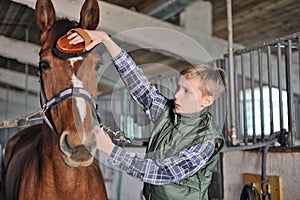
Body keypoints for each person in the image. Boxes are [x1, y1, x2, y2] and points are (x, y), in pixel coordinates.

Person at [68, 30, 227, 200]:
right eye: (179, 87)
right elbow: (139, 85)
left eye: (187, 91)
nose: (176, 95)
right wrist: (107, 40)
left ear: (206, 101)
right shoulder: (170, 112)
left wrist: (111, 150)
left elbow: (162, 173)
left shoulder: (206, 140)